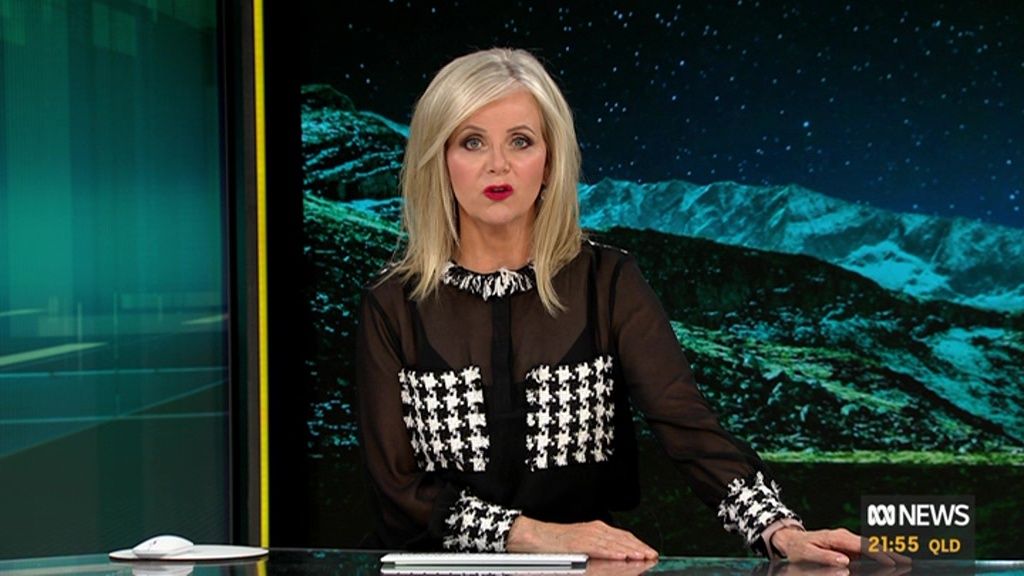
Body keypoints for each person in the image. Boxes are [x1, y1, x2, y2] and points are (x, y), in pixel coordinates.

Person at [355, 47, 876, 566]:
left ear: (550, 160)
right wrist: (535, 536)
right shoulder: (391, 304)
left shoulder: (607, 281)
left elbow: (686, 424)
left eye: (521, 141)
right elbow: (399, 490)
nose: (498, 164)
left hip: (588, 571)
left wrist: (778, 530)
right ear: (439, 159)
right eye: (472, 142)